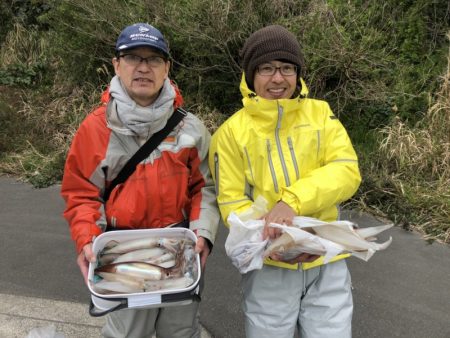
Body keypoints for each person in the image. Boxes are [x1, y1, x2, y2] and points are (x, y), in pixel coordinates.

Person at [61, 23, 219, 338]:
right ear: (116, 65)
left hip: (178, 250)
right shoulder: (94, 129)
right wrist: (87, 239)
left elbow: (207, 188)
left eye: (154, 59)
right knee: (128, 334)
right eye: (133, 57)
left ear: (167, 68)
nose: (143, 67)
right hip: (122, 253)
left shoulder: (192, 129)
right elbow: (81, 194)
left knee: (181, 331)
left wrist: (204, 234)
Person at [209, 25, 361, 338]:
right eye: (266, 68)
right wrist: (270, 242)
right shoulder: (230, 134)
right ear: (251, 74)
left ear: (298, 73)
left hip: (326, 261)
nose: (278, 79)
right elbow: (231, 202)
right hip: (269, 268)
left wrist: (291, 201)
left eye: (287, 68)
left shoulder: (321, 115)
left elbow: (346, 170)